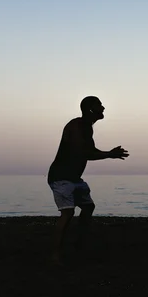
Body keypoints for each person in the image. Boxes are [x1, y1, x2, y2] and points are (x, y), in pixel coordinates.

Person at [47, 96, 129, 265]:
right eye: (99, 105)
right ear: (90, 109)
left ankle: (79, 245)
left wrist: (108, 153)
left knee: (88, 207)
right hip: (61, 178)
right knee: (68, 214)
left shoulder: (86, 128)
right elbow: (84, 153)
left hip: (74, 179)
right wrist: (109, 154)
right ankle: (55, 255)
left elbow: (90, 151)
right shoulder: (77, 126)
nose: (103, 108)